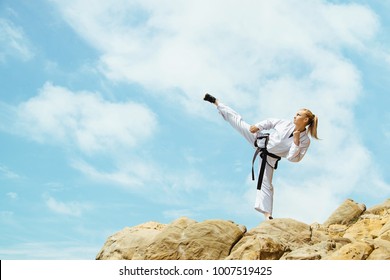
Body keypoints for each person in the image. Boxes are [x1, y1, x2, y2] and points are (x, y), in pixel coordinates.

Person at [203, 93, 319, 220]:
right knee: (238, 123)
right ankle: (217, 103)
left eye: (298, 115)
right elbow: (271, 122)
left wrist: (296, 141)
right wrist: (258, 126)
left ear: (305, 120)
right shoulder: (285, 124)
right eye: (296, 114)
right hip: (260, 140)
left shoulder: (305, 140)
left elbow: (293, 158)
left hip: (270, 157)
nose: (294, 116)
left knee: (266, 183)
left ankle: (267, 214)